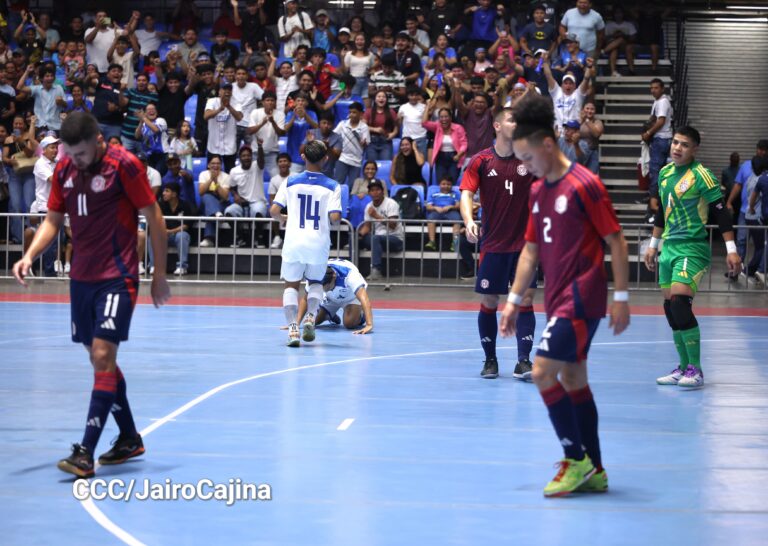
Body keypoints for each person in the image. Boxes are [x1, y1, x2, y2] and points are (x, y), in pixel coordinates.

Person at [12, 111, 171, 478]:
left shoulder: (124, 165)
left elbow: (155, 217)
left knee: (102, 354)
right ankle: (129, 436)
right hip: (81, 280)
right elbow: (53, 220)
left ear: (99, 140)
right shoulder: (64, 170)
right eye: (71, 154)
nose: (76, 161)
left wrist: (159, 274)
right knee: (100, 361)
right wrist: (30, 255)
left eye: (82, 154)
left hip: (117, 276)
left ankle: (86, 451)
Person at [498, 93, 629, 498]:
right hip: (556, 296)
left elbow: (617, 240)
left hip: (582, 294)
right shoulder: (538, 191)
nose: (525, 166)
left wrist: (621, 297)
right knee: (573, 378)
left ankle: (575, 460)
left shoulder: (584, 185)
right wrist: (514, 301)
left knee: (541, 372)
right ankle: (598, 469)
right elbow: (531, 251)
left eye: (529, 158)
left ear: (548, 146)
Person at [644, 126, 742, 389]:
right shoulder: (665, 173)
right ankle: (683, 367)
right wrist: (653, 245)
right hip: (670, 249)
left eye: (684, 145)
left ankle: (695, 370)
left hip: (693, 247)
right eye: (675, 142)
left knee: (679, 303)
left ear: (694, 149)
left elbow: (721, 213)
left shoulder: (702, 175)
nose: (677, 148)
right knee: (670, 309)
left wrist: (731, 251)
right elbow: (663, 213)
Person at [460, 107, 538, 381]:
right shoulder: (480, 161)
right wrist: (469, 219)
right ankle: (490, 359)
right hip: (493, 244)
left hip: (526, 245)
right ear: (496, 125)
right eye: (511, 119)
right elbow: (467, 193)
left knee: (526, 299)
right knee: (490, 301)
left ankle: (524, 361)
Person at [270, 140, 342, 347]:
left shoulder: (291, 181)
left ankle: (293, 329)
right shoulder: (332, 186)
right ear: (325, 159)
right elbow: (336, 217)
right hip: (318, 243)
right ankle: (310, 316)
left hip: (294, 241)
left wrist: (285, 219)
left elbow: (274, 211)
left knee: (291, 286)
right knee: (316, 283)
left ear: (303, 157)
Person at [295, 259, 374, 334]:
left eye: (325, 286)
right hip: (331, 298)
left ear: (334, 276)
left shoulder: (349, 275)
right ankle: (329, 315)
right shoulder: (315, 277)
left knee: (349, 323)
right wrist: (296, 324)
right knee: (312, 321)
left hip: (351, 298)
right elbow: (305, 299)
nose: (322, 289)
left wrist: (369, 325)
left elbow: (364, 298)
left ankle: (361, 315)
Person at [727, 139, 768, 276]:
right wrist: (729, 201)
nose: (762, 151)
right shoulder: (746, 166)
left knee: (760, 244)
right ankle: (737, 269)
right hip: (745, 211)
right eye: (760, 148)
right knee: (742, 240)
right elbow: (738, 185)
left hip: (760, 214)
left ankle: (757, 270)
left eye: (764, 149)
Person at [358, 179, 404, 281]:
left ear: (382, 191)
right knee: (353, 238)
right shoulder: (369, 206)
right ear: (369, 193)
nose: (375, 192)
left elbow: (393, 225)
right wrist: (359, 235)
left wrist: (376, 216)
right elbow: (367, 227)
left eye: (378, 189)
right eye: (372, 190)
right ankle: (353, 270)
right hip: (378, 239)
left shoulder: (391, 203)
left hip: (395, 239)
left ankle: (376, 270)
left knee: (375, 238)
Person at [225, 144, 268, 247]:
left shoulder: (257, 166)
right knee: (229, 211)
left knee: (258, 211)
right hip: (241, 203)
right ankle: (239, 237)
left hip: (257, 201)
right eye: (243, 156)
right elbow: (232, 187)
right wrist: (235, 195)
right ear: (240, 158)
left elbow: (261, 161)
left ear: (251, 157)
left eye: (248, 155)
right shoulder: (234, 171)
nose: (246, 158)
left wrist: (260, 147)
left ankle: (259, 238)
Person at [643, 78, 674, 216]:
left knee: (655, 170)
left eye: (656, 88)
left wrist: (649, 132)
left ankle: (653, 202)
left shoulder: (662, 102)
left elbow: (660, 121)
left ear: (662, 89)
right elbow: (653, 119)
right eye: (651, 88)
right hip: (662, 139)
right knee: (658, 171)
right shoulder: (658, 102)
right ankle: (655, 198)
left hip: (661, 139)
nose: (653, 90)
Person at [149, 181, 193, 275]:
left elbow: (186, 225)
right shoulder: (160, 205)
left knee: (182, 235)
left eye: (167, 191)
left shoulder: (184, 205)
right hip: (164, 235)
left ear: (174, 194)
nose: (163, 193)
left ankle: (182, 266)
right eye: (164, 191)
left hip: (177, 234)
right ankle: (154, 266)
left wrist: (170, 231)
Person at [332, 101, 369, 189]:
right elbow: (333, 136)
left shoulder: (364, 127)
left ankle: (350, 203)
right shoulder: (343, 124)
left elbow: (366, 144)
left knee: (353, 188)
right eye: (350, 112)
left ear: (361, 114)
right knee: (338, 185)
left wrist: (363, 143)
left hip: (356, 161)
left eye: (354, 112)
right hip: (342, 159)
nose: (351, 114)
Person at [425, 176, 461, 251]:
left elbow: (458, 206)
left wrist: (451, 206)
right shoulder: (434, 194)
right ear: (439, 185)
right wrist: (435, 208)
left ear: (451, 185)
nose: (446, 186)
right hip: (437, 212)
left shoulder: (455, 194)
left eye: (448, 184)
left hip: (451, 211)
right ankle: (432, 242)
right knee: (430, 219)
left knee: (458, 219)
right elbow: (428, 207)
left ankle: (455, 242)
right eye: (443, 184)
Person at [749, 162, 768, 284]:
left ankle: (761, 272)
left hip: (764, 216)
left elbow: (753, 195)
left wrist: (751, 208)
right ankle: (761, 270)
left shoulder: (762, 178)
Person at [603, 6, 636, 77]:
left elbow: (633, 38)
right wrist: (613, 36)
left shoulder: (629, 24)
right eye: (616, 13)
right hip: (611, 45)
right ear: (613, 14)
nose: (618, 15)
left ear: (623, 14)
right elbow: (604, 38)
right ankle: (613, 72)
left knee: (621, 39)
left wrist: (624, 35)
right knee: (614, 49)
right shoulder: (609, 24)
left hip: (625, 46)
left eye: (620, 13)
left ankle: (603, 52)